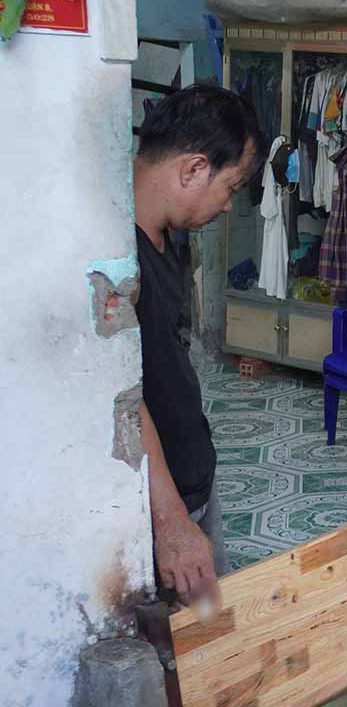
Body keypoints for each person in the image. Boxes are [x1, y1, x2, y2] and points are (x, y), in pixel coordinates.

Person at [133, 85, 264, 606]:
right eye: (229, 187)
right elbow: (121, 399)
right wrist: (168, 521)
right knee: (189, 661)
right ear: (193, 170)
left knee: (215, 634)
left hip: (192, 478)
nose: (229, 204)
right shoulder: (116, 256)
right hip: (159, 508)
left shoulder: (169, 239)